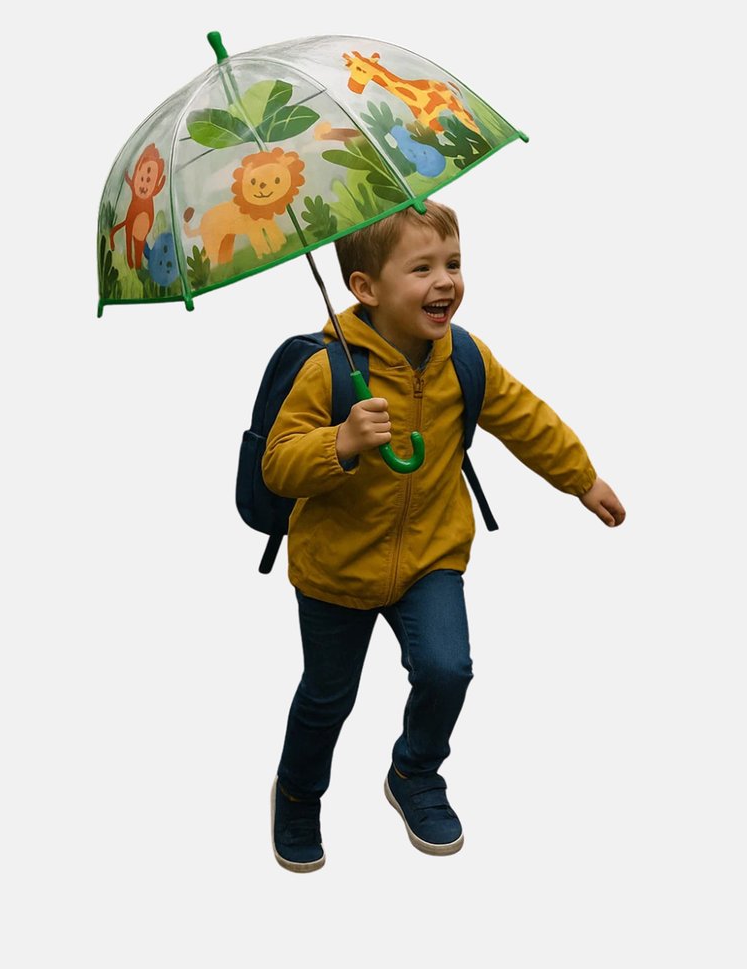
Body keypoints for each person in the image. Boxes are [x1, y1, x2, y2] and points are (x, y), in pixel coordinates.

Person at [262, 199, 625, 872]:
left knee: (447, 669)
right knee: (327, 697)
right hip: (335, 570)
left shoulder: (462, 357)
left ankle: (414, 773)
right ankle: (298, 792)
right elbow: (277, 464)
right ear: (365, 289)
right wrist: (339, 442)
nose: (446, 281)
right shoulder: (329, 370)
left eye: (453, 263)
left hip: (430, 554)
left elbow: (525, 419)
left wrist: (581, 478)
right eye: (422, 267)